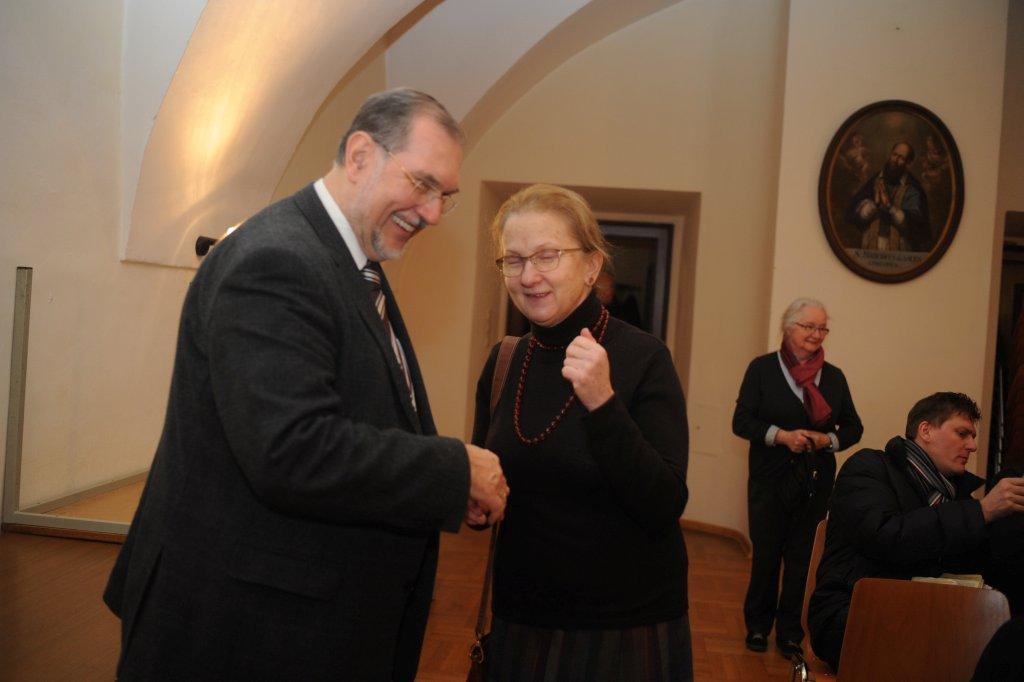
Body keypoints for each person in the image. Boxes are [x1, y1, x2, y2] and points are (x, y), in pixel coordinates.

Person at [103, 88, 509, 681]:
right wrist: (453, 470)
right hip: (243, 628)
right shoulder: (278, 259)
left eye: (444, 196)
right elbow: (292, 449)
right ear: (360, 155)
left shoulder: (346, 260)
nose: (431, 213)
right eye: (423, 184)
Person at [472, 184, 692, 680]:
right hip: (522, 616)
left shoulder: (644, 358)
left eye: (547, 256)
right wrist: (477, 501)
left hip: (623, 625)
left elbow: (664, 502)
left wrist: (603, 402)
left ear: (592, 266)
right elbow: (490, 475)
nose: (528, 276)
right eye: (513, 260)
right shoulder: (504, 361)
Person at [808, 392, 1024, 671]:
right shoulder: (869, 468)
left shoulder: (958, 498)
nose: (972, 446)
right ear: (926, 430)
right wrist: (981, 512)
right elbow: (886, 536)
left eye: (973, 437)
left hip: (929, 614)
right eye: (962, 434)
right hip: (851, 613)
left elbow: (979, 566)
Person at [732, 298, 863, 659]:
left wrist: (826, 440)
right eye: (809, 326)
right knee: (766, 555)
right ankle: (757, 626)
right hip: (769, 480)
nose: (816, 334)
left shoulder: (834, 376)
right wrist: (782, 436)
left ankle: (790, 633)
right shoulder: (761, 369)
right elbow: (741, 421)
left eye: (822, 328)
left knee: (802, 559)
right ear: (788, 327)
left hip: (814, 482)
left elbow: (853, 428)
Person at [848, 140, 931, 252]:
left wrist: (890, 207)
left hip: (901, 249)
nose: (895, 160)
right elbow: (854, 214)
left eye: (901, 158)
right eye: (894, 155)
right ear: (891, 154)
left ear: (908, 162)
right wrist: (873, 205)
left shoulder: (913, 188)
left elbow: (917, 226)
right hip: (871, 245)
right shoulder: (875, 180)